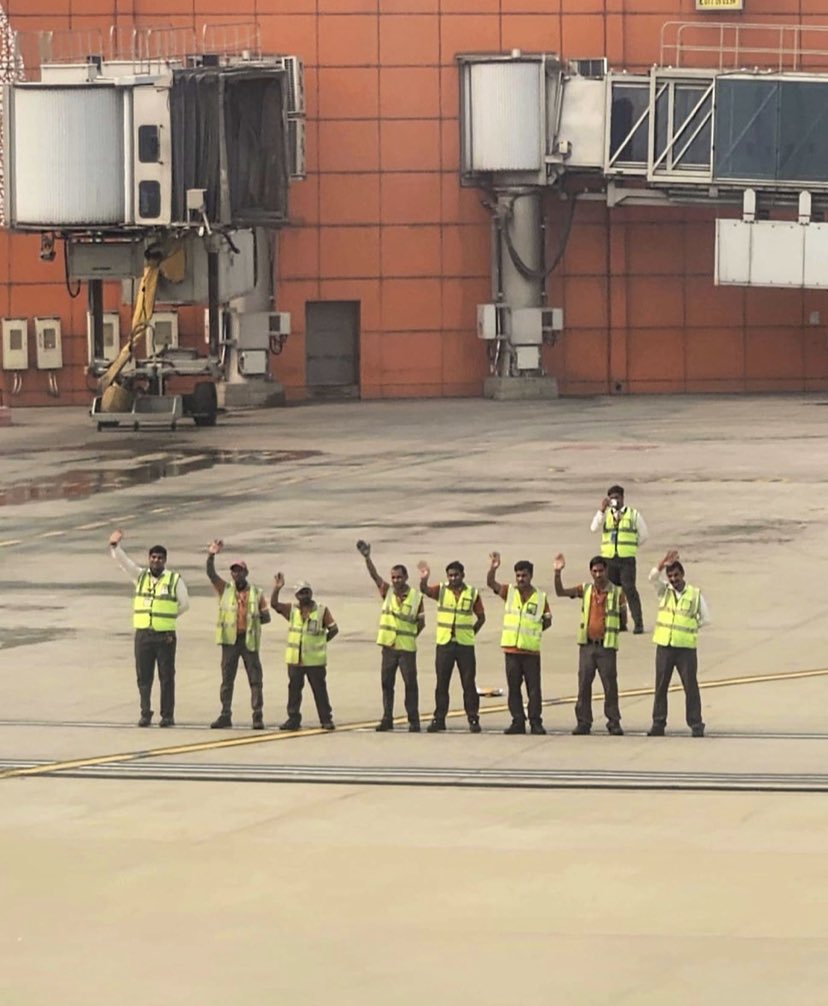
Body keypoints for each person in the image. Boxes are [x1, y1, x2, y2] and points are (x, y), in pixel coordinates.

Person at [108, 528, 189, 727]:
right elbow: (124, 563)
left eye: (160, 558)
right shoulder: (140, 576)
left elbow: (184, 604)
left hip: (165, 636)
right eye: (153, 557)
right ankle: (145, 712)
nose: (156, 561)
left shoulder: (174, 580)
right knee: (144, 677)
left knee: (166, 677)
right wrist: (115, 546)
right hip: (143, 634)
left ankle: (167, 715)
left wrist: (167, 617)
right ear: (149, 559)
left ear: (165, 560)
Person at [554, 553, 626, 736]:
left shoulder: (617, 592)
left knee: (610, 686)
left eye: (601, 571)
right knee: (584, 685)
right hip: (587, 646)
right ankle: (583, 722)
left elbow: (624, 618)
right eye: (594, 571)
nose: (598, 575)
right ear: (590, 572)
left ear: (606, 571)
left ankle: (613, 722)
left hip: (606, 646)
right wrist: (557, 573)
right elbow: (561, 592)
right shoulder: (585, 589)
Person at [357, 539, 424, 732]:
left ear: (406, 577)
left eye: (399, 577)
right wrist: (367, 558)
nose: (396, 581)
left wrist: (410, 636)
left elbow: (421, 623)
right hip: (388, 647)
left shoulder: (416, 597)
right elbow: (374, 576)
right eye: (393, 578)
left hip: (406, 649)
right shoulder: (387, 592)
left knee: (410, 685)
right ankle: (387, 718)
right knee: (387, 684)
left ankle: (414, 720)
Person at [206, 540, 270, 730]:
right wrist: (211, 554)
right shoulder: (225, 589)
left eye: (240, 570)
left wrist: (252, 618)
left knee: (255, 680)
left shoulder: (256, 593)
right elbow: (211, 574)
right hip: (230, 641)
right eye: (234, 571)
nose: (236, 574)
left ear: (246, 573)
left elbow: (266, 618)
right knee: (227, 679)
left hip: (248, 641)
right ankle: (225, 714)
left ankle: (257, 715)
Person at [647, 550, 711, 737]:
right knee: (661, 686)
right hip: (665, 646)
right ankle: (658, 723)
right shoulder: (664, 591)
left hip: (685, 649)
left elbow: (705, 618)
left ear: (683, 575)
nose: (673, 579)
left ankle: (696, 724)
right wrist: (662, 563)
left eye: (676, 575)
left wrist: (691, 626)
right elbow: (652, 577)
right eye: (670, 576)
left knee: (690, 686)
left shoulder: (694, 594)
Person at [417, 560, 486, 733]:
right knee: (442, 683)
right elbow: (425, 591)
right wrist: (424, 579)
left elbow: (481, 617)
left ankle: (473, 718)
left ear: (463, 575)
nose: (453, 578)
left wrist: (471, 633)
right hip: (445, 644)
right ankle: (439, 718)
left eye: (456, 575)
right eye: (450, 575)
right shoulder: (441, 590)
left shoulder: (472, 593)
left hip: (465, 645)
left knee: (468, 683)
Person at [487, 553, 551, 735]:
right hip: (511, 650)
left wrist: (533, 634)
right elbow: (491, 583)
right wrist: (493, 568)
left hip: (530, 651)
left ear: (531, 576)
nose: (521, 579)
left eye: (524, 575)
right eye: (518, 575)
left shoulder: (540, 597)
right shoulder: (510, 592)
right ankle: (518, 721)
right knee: (514, 689)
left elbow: (547, 621)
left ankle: (535, 722)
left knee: (534, 690)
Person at [270, 576, 339, 731]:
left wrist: (321, 641)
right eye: (301, 593)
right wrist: (277, 588)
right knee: (294, 690)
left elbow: (334, 629)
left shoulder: (321, 610)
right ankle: (293, 718)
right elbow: (274, 604)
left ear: (311, 593)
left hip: (315, 661)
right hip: (295, 660)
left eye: (307, 592)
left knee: (320, 691)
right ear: (296, 596)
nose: (304, 596)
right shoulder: (292, 610)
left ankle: (326, 719)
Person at [590, 484, 649, 634]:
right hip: (609, 559)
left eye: (617, 498)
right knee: (611, 592)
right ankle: (618, 623)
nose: (614, 501)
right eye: (612, 498)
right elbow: (593, 528)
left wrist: (631, 547)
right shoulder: (605, 515)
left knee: (629, 590)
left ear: (623, 498)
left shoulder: (633, 514)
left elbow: (644, 535)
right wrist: (601, 511)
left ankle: (638, 623)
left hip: (626, 559)